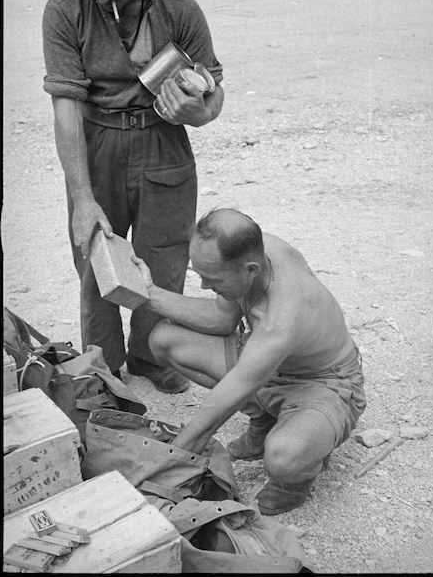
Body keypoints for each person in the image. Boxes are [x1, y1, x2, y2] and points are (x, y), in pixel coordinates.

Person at [42, 0, 225, 392]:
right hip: (96, 142)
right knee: (96, 255)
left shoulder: (177, 5)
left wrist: (199, 112)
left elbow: (213, 90)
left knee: (164, 258)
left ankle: (152, 357)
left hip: (164, 141)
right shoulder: (64, 9)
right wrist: (83, 198)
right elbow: (65, 107)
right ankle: (101, 366)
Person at [132, 208, 366, 515]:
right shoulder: (252, 252)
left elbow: (225, 402)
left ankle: (297, 477)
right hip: (269, 364)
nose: (203, 286)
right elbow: (221, 318)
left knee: (283, 457)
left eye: (211, 279)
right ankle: (266, 417)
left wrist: (167, 463)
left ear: (250, 270)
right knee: (163, 340)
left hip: (322, 383)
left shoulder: (280, 319)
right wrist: (150, 293)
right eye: (199, 275)